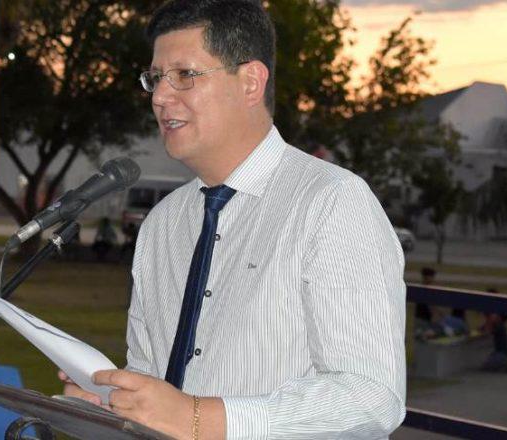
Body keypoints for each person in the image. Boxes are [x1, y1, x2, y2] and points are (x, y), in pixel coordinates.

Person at [60, 1, 406, 438]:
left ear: (251, 82)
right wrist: (113, 401)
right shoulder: (162, 224)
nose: (160, 97)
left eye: (185, 75)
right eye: (155, 78)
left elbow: (372, 396)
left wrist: (201, 418)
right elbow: (153, 376)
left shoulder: (331, 203)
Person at [480, 288, 507, 373]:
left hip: (501, 355)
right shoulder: (500, 324)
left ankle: (503, 363)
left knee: (484, 368)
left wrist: (486, 325)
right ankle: (505, 363)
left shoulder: (496, 321)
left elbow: (486, 331)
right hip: (503, 354)